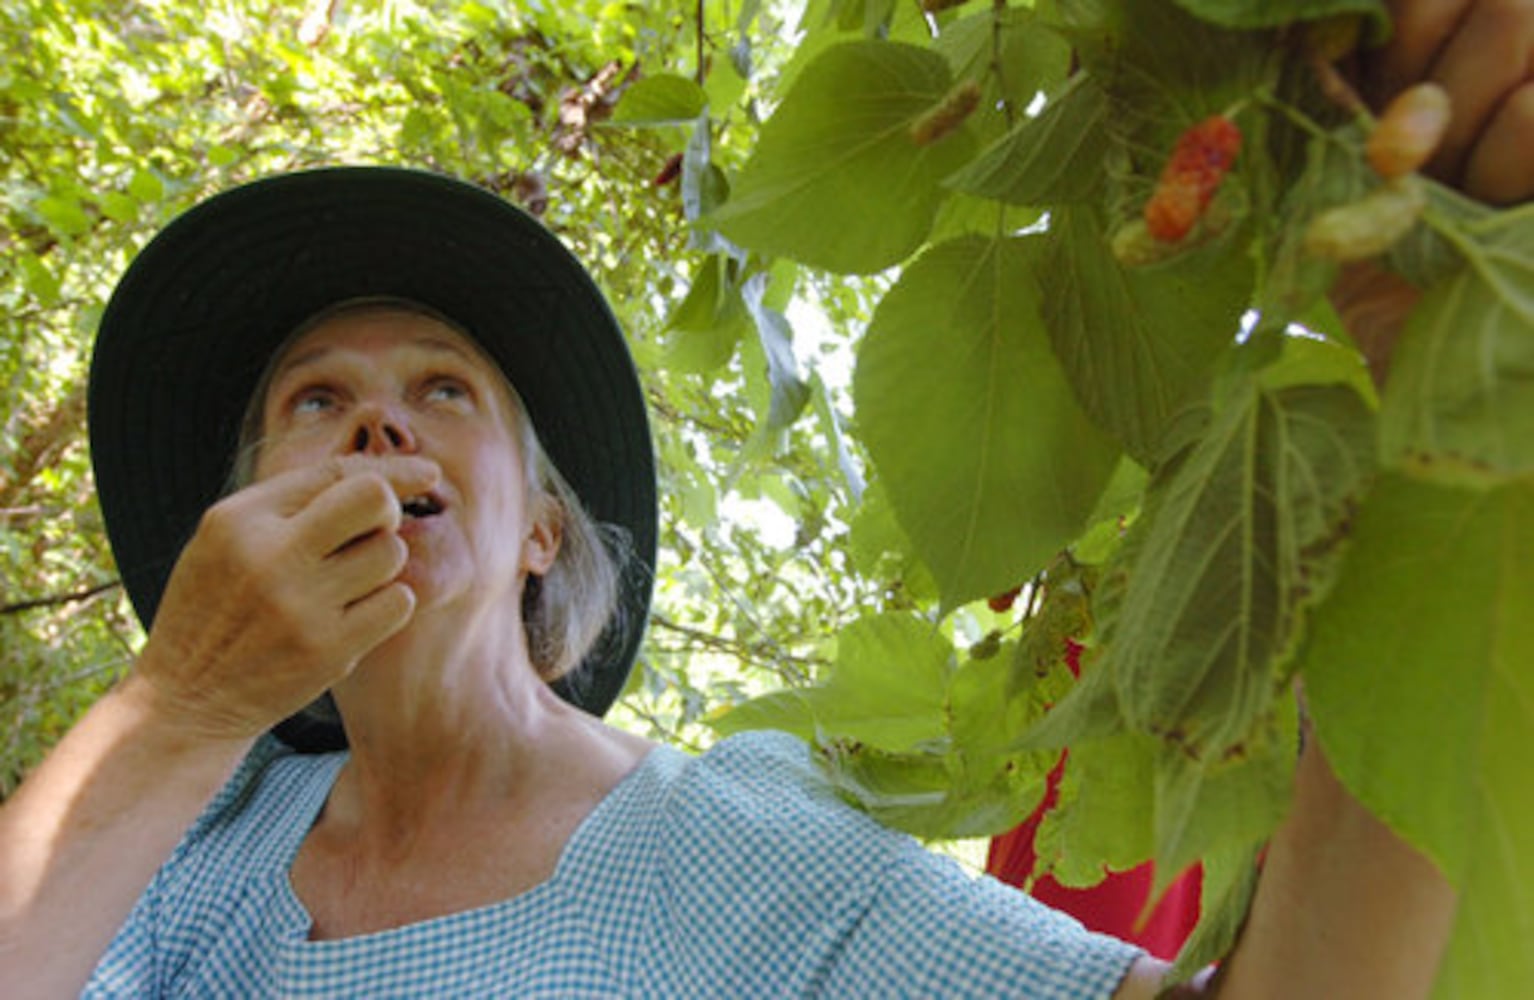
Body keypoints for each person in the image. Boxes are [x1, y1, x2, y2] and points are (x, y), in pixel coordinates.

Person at [0, 1, 1521, 995]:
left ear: (538, 528)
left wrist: (1451, 419)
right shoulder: (183, 838)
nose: (376, 413)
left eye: (443, 385)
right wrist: (184, 702)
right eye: (314, 401)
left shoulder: (714, 851)